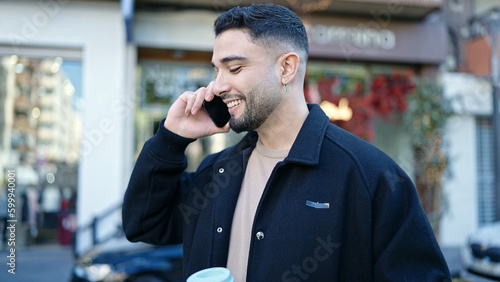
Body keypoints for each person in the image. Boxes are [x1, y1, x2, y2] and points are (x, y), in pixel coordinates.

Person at [122, 4, 451, 281]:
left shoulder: (370, 177)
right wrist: (170, 138)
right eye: (216, 70)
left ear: (287, 68)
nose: (217, 85)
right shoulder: (217, 171)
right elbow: (143, 224)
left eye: (234, 68)